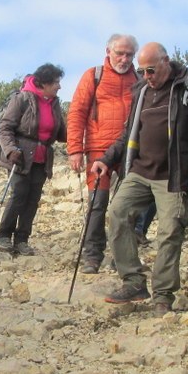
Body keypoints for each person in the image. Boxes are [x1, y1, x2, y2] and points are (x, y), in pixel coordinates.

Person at [89, 42, 188, 312]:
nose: (146, 75)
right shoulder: (142, 91)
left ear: (165, 62)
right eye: (142, 70)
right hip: (139, 171)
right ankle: (133, 282)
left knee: (170, 230)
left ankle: (162, 295)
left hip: (174, 175)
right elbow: (128, 133)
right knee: (117, 213)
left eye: (150, 70)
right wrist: (105, 158)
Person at [66, 34, 140, 273]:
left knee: (128, 207)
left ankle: (123, 256)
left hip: (130, 151)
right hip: (98, 150)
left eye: (129, 54)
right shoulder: (93, 75)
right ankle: (92, 255)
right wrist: (75, 149)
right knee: (98, 203)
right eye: (120, 53)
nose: (125, 58)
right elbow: (76, 112)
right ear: (108, 51)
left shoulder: (139, 79)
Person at [0, 63, 67, 256]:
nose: (59, 86)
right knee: (19, 195)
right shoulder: (22, 99)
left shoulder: (54, 103)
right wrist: (10, 150)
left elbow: (61, 133)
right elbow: (5, 127)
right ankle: (3, 234)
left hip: (42, 159)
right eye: (56, 82)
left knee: (33, 200)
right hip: (20, 156)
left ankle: (22, 240)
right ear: (43, 83)